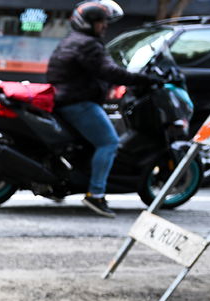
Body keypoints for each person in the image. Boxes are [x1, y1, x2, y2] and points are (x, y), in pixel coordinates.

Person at [46, 1, 158, 217]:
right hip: (78, 102)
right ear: (88, 24)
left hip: (63, 99)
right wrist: (143, 79)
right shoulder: (89, 45)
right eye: (101, 22)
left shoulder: (71, 41)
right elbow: (110, 72)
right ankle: (96, 194)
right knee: (109, 142)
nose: (105, 26)